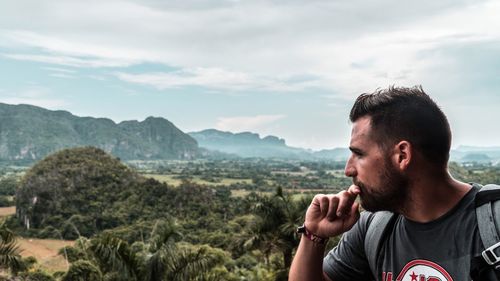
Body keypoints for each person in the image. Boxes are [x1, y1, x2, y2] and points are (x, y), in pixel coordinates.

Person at [289, 86, 490, 281]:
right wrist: (314, 235)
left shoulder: (491, 225)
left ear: (402, 155)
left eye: (359, 154)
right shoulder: (373, 228)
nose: (348, 170)